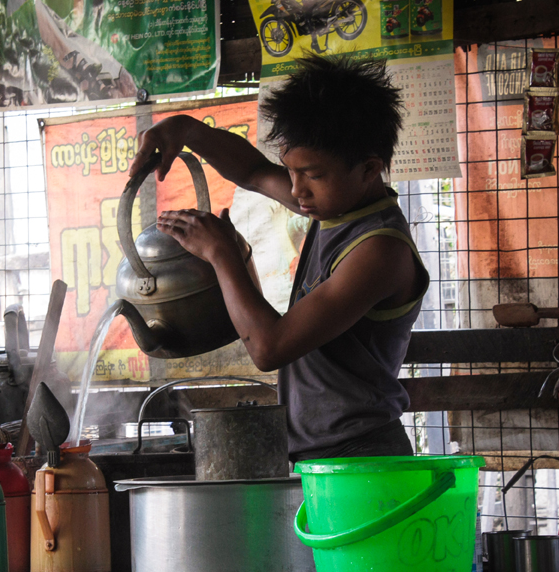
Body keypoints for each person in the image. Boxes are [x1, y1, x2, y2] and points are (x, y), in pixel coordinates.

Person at [129, 55, 428, 462]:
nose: (297, 190)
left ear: (369, 168)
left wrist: (222, 253)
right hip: (321, 453)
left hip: (363, 456)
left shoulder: (378, 249)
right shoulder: (333, 204)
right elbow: (252, 170)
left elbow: (269, 348)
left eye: (313, 175)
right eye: (291, 171)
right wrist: (185, 129)